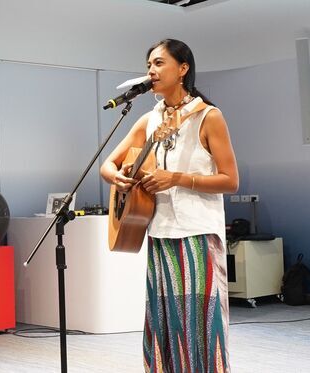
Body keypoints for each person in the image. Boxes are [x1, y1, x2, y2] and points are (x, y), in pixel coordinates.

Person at [100, 38, 238, 373]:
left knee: (199, 325)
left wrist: (176, 178)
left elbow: (230, 180)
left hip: (197, 235)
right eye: (149, 65)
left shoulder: (208, 116)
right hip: (160, 233)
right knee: (164, 322)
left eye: (159, 63)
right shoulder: (149, 119)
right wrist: (117, 178)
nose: (151, 71)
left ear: (183, 68)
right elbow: (108, 164)